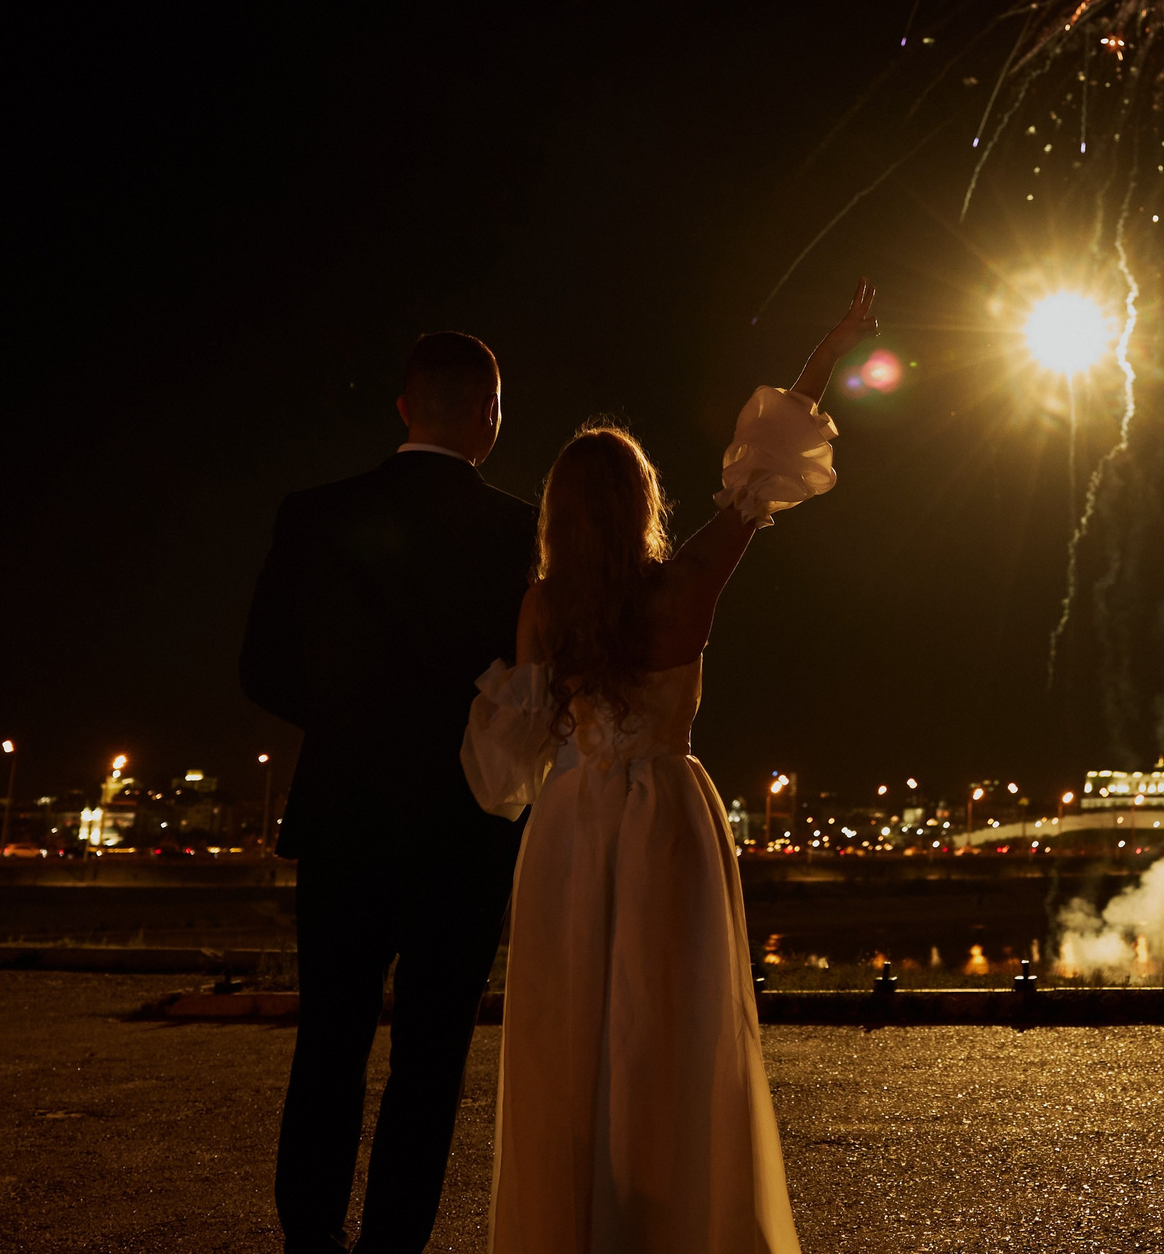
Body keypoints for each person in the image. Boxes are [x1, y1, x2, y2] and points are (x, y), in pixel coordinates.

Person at [462, 280, 878, 1254]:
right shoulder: (687, 585)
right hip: (669, 820)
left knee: (569, 1037)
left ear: (559, 515)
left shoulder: (542, 608)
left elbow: (504, 766)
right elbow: (763, 470)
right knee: (673, 1038)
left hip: (571, 826)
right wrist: (831, 345)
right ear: (643, 503)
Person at [241, 330, 538, 1254]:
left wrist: (344, 719)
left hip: (344, 812)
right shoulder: (524, 531)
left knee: (329, 1037)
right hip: (467, 822)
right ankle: (393, 1241)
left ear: (404, 407)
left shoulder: (316, 513)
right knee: (431, 1054)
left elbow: (260, 668)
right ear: (491, 415)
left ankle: (310, 1237)